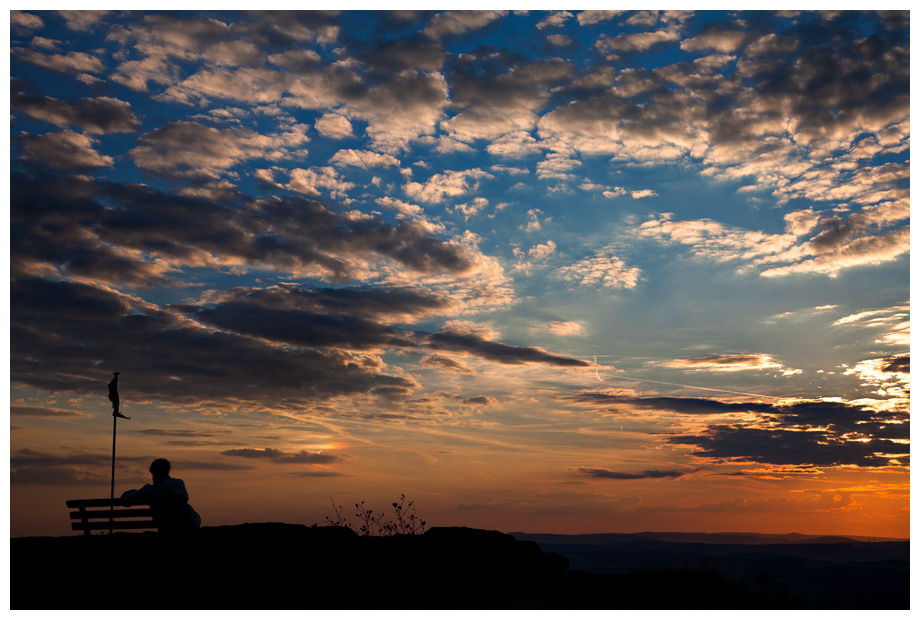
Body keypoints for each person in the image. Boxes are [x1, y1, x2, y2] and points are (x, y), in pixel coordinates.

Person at [122, 458, 202, 534]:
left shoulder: (149, 489)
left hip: (164, 527)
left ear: (157, 473)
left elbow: (125, 499)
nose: (152, 477)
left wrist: (136, 492)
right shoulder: (178, 483)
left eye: (153, 474)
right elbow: (184, 499)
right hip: (186, 526)